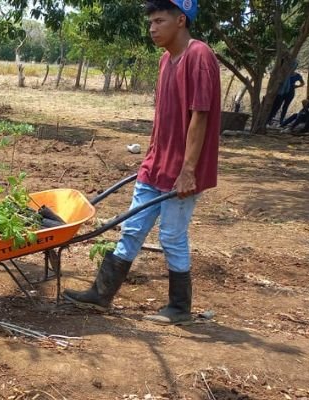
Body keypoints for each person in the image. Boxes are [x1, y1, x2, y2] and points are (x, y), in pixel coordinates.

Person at [63, 0, 221, 326]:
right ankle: (101, 294)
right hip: (157, 164)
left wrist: (187, 170)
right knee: (131, 229)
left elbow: (199, 117)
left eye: (159, 21)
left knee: (172, 236)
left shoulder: (199, 56)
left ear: (181, 21)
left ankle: (180, 307)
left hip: (182, 170)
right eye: (150, 22)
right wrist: (152, 157)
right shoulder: (166, 60)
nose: (152, 28)